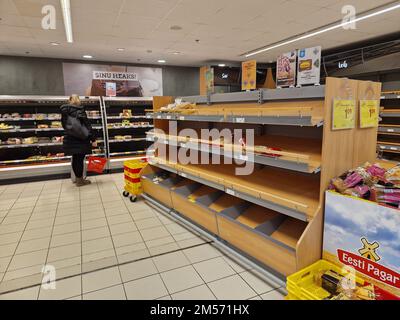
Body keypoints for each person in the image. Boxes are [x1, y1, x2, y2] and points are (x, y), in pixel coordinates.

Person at [61, 95, 97, 187]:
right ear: (78, 100)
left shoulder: (65, 111)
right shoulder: (80, 110)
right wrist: (93, 139)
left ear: (69, 100)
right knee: (79, 159)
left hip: (70, 138)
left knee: (75, 159)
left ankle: (77, 179)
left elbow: (64, 125)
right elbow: (87, 125)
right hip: (81, 138)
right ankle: (80, 181)